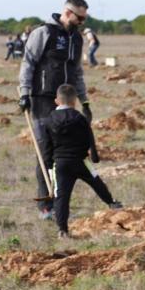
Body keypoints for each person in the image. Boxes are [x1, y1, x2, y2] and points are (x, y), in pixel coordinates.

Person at [19, 0, 93, 220]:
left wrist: (85, 101)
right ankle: (45, 203)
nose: (82, 22)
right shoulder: (43, 33)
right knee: (45, 150)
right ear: (68, 13)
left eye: (84, 18)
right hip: (42, 99)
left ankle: (60, 200)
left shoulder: (78, 39)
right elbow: (28, 63)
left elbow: (78, 72)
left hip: (67, 101)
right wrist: (24, 93)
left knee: (64, 152)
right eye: (80, 18)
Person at [37, 84, 122, 238]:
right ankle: (112, 203)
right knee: (96, 182)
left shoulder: (49, 121)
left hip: (60, 164)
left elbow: (46, 146)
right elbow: (90, 138)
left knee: (61, 197)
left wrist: (49, 165)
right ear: (74, 101)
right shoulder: (80, 118)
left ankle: (62, 230)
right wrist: (94, 157)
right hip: (81, 161)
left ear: (57, 100)